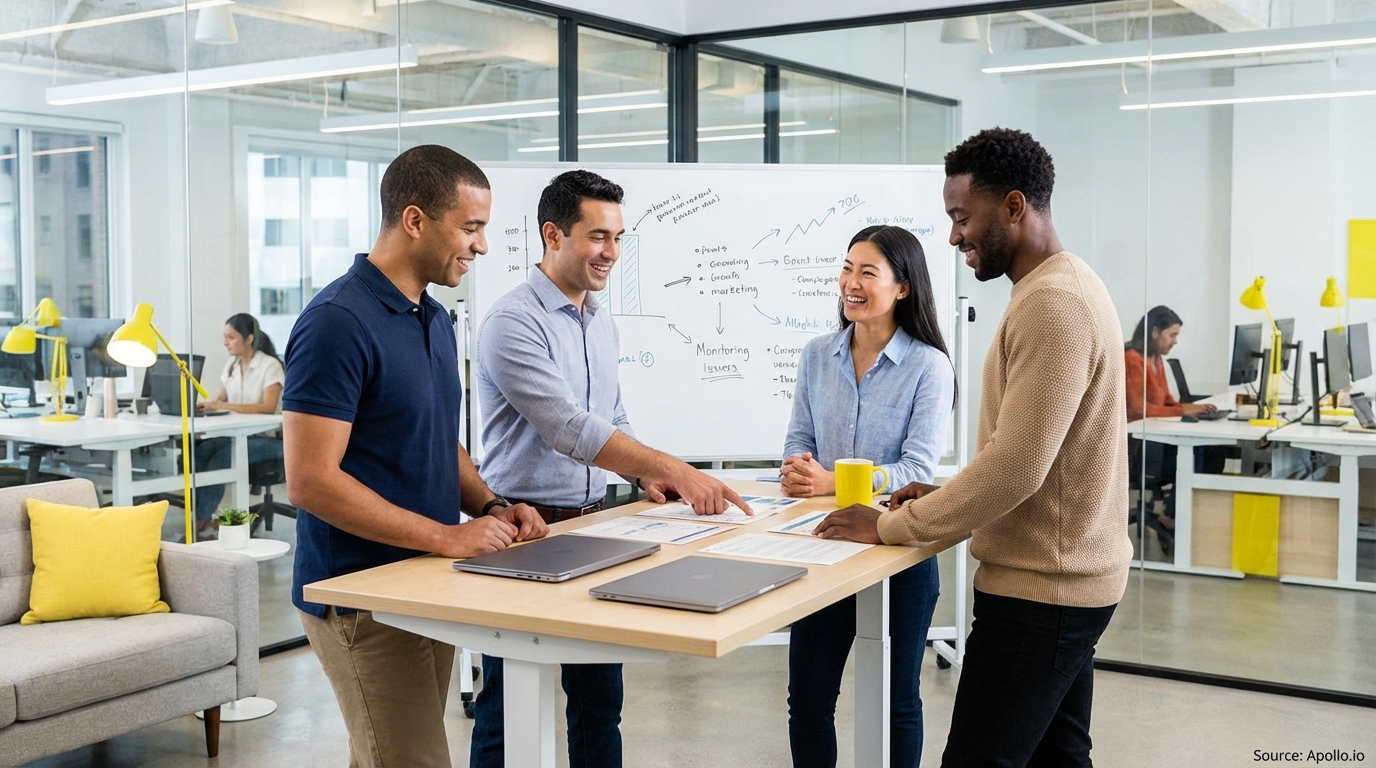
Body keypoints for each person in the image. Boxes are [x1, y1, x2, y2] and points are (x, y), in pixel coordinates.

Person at [815, 127, 1132, 767]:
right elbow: (1032, 458)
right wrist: (942, 495)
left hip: (1044, 593)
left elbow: (1017, 468)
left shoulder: (1054, 303)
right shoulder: (1057, 287)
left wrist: (893, 525)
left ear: (1013, 207)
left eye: (963, 217)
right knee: (1059, 758)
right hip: (1066, 580)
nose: (955, 235)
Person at [471, 169, 751, 768]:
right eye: (598, 237)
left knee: (600, 700)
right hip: (523, 527)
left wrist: (642, 475)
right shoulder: (511, 322)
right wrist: (677, 466)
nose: (612, 254)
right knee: (506, 704)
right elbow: (568, 426)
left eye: (618, 238)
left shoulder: (598, 318)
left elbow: (610, 414)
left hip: (594, 522)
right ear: (553, 235)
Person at [283, 144, 547, 768]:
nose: (481, 246)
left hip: (424, 584)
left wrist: (490, 503)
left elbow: (435, 439)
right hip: (359, 596)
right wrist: (446, 536)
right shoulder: (336, 322)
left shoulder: (432, 316)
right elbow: (310, 481)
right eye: (471, 227)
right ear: (414, 220)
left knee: (384, 756)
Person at [780, 225, 955, 768]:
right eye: (847, 268)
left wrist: (838, 482)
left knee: (896, 700)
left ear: (903, 287)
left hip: (896, 551)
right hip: (823, 549)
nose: (851, 283)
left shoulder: (928, 365)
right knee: (807, 701)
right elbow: (797, 442)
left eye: (868, 272)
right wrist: (799, 469)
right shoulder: (816, 354)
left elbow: (917, 469)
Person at [1124, 305, 1227, 554]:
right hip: (1137, 445)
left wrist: (1196, 408)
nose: (1175, 341)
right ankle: (1172, 516)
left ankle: (1180, 514)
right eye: (1172, 335)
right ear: (1154, 332)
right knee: (1195, 453)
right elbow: (1138, 409)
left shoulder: (1157, 360)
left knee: (1214, 449)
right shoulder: (1132, 359)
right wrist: (1184, 411)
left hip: (1156, 438)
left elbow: (1167, 401)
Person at [191, 313, 285, 533]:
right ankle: (201, 515)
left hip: (268, 438)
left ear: (249, 339)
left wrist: (222, 406)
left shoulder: (270, 365)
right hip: (239, 434)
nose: (225, 342)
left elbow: (267, 407)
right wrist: (208, 405)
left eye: (231, 337)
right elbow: (221, 400)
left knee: (223, 458)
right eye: (225, 337)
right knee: (200, 452)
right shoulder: (232, 364)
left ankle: (202, 521)